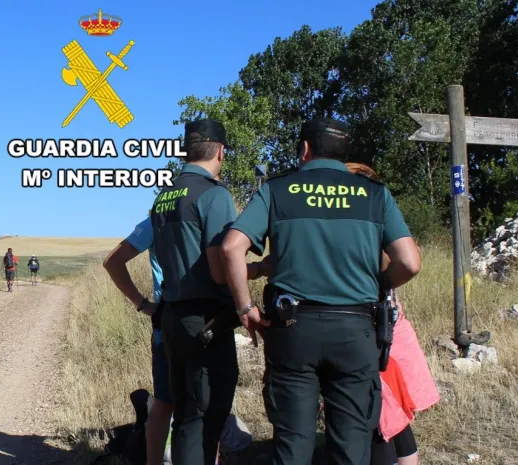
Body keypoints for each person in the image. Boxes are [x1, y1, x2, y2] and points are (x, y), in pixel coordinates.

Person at [221, 118, 422, 465]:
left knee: (293, 446)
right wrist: (379, 285)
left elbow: (230, 248)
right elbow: (410, 262)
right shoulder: (375, 194)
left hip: (292, 329)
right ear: (344, 152)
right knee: (352, 448)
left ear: (305, 149)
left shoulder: (278, 190)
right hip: (356, 330)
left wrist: (245, 307)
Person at [150, 119, 268, 465]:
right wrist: (258, 270)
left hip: (173, 317)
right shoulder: (214, 195)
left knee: (187, 415)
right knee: (205, 418)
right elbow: (220, 268)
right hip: (206, 323)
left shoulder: (164, 196)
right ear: (221, 152)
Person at [345, 162, 440, 465]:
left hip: (372, 332)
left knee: (379, 422)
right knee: (393, 417)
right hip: (388, 328)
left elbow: (400, 264)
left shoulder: (362, 228)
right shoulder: (380, 223)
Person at [103, 215, 173, 465]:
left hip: (166, 327)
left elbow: (113, 261)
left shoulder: (159, 217)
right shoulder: (212, 208)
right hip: (196, 326)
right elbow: (112, 261)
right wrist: (143, 304)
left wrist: (145, 305)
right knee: (204, 409)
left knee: (164, 405)